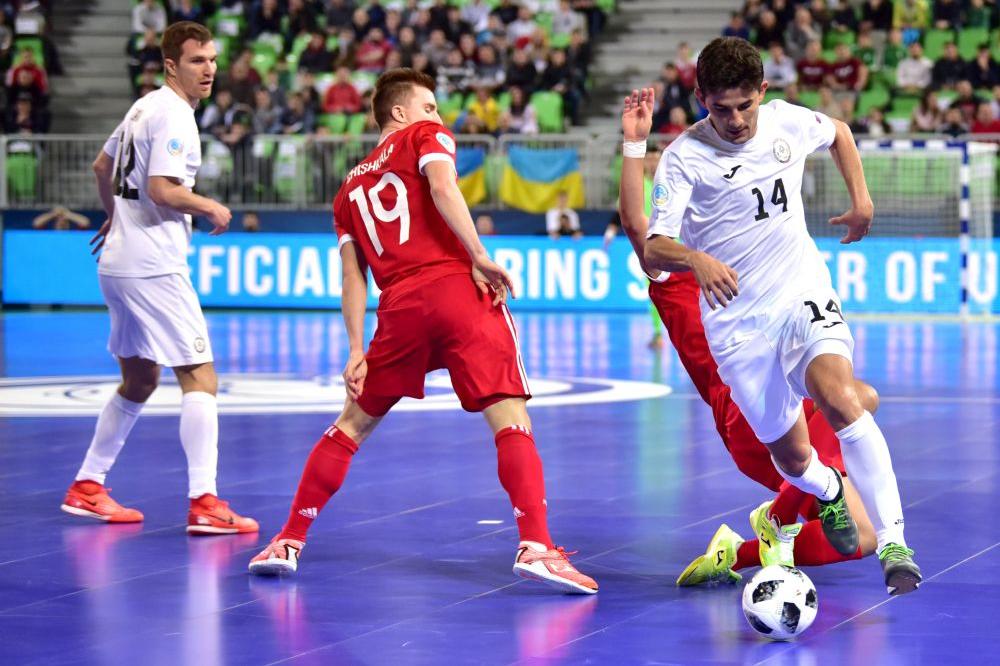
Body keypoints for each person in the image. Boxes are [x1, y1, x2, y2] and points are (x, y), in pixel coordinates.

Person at [247, 68, 597, 595]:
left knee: (351, 425)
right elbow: (441, 185)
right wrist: (479, 255)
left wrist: (354, 348)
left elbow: (351, 275)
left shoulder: (347, 190)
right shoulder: (425, 137)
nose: (439, 115)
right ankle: (537, 546)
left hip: (399, 308)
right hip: (456, 289)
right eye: (429, 105)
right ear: (400, 113)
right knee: (509, 416)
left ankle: (288, 540)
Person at [641, 37, 920, 595]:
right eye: (721, 108)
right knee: (793, 457)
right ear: (700, 98)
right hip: (739, 327)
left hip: (800, 293)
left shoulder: (785, 122)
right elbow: (653, 247)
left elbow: (838, 131)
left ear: (762, 93)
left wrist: (861, 199)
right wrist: (695, 258)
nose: (737, 120)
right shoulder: (683, 158)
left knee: (843, 397)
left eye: (745, 105)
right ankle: (829, 492)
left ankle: (894, 542)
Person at [61, 22, 258, 536]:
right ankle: (205, 501)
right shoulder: (174, 115)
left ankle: (87, 486)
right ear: (172, 65)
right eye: (197, 60)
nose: (209, 68)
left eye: (212, 59)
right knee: (200, 376)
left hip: (118, 263)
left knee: (141, 378)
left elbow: (102, 167)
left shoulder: (142, 107)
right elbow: (163, 189)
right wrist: (209, 205)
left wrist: (112, 217)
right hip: (154, 265)